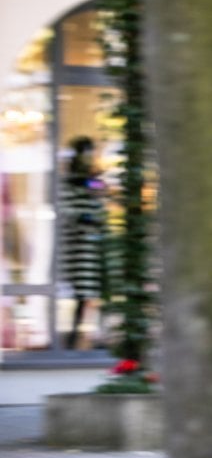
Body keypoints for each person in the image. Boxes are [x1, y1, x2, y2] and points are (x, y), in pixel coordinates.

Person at [58, 136, 107, 349]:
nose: (90, 157)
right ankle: (72, 338)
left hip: (93, 245)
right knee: (79, 293)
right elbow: (66, 210)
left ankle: (95, 336)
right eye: (87, 152)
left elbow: (100, 199)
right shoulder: (68, 182)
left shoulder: (91, 180)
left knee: (95, 292)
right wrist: (85, 217)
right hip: (77, 246)